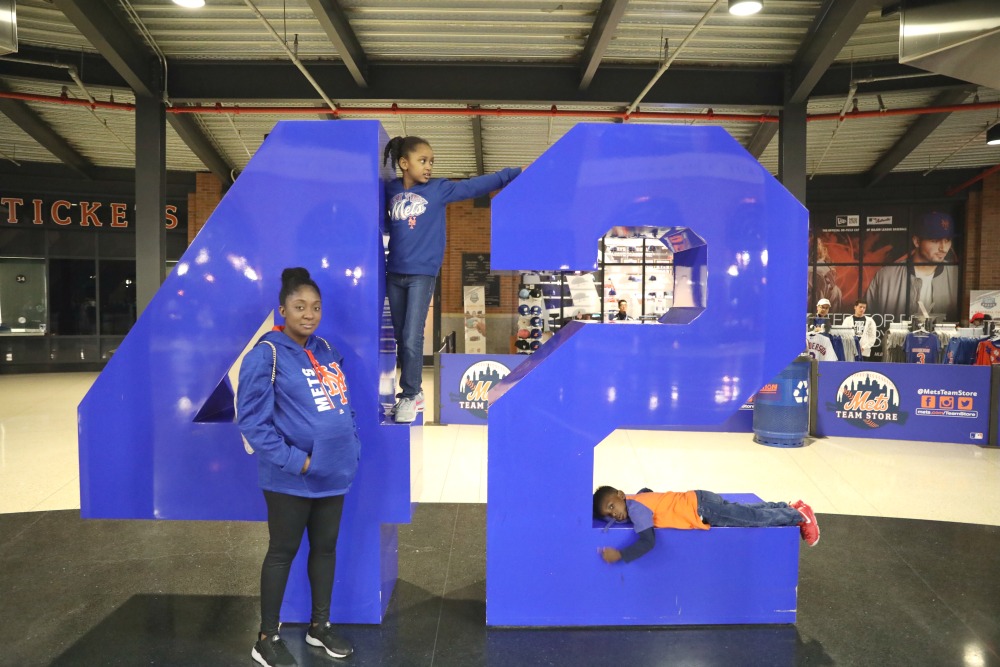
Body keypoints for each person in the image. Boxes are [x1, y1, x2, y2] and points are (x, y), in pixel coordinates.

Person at [238, 267, 360, 667]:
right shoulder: (267, 354)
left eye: (315, 307)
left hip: (333, 475)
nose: (309, 314)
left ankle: (318, 627)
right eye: (299, 307)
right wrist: (299, 461)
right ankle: (266, 637)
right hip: (291, 479)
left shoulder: (325, 348)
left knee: (325, 549)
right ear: (283, 309)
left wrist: (350, 447)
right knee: (282, 552)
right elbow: (252, 422)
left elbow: (342, 404)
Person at [383, 136, 522, 423]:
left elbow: (474, 186)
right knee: (400, 337)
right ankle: (411, 390)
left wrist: (510, 174)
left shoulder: (439, 189)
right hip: (394, 272)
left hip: (422, 274)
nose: (429, 166)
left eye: (432, 161)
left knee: (412, 336)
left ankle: (411, 394)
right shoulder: (390, 190)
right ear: (404, 163)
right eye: (423, 161)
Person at [593, 486, 819, 564]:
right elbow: (647, 491)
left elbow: (648, 541)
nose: (615, 514)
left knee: (750, 519)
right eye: (608, 514)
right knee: (746, 511)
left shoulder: (635, 509)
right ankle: (786, 505)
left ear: (620, 495)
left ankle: (797, 515)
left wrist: (620, 555)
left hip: (701, 510)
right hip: (699, 498)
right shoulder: (634, 499)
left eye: (612, 506)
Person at [865, 211, 959, 322]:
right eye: (935, 241)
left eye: (947, 240)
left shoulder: (956, 275)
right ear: (917, 241)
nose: (943, 248)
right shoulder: (886, 276)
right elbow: (868, 317)